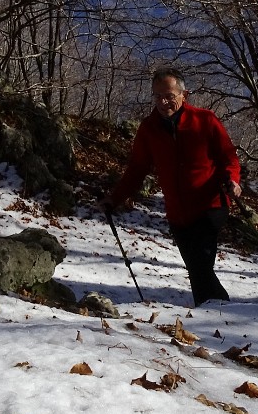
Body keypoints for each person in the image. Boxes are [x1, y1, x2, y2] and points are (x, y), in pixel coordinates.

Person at [102, 69, 242, 306]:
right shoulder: (149, 128)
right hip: (178, 212)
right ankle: (212, 312)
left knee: (200, 263)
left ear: (183, 94)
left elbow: (229, 157)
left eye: (168, 96)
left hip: (210, 205)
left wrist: (233, 180)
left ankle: (220, 312)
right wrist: (114, 199)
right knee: (196, 267)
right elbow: (137, 169)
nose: (162, 102)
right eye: (157, 96)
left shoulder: (205, 120)